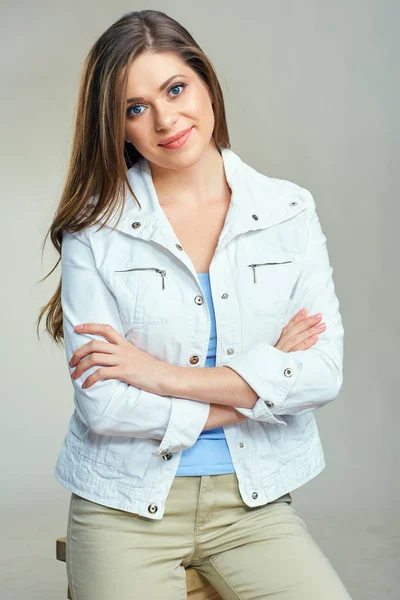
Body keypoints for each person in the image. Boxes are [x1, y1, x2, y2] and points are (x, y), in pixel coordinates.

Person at [38, 9, 352, 600]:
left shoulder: (288, 211)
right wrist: (255, 393)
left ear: (207, 83)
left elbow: (321, 373)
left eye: (176, 88)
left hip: (251, 506)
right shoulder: (95, 231)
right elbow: (104, 405)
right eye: (136, 108)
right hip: (123, 508)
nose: (166, 119)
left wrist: (157, 375)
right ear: (117, 127)